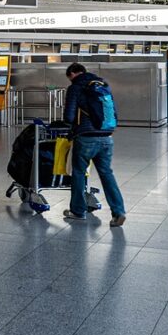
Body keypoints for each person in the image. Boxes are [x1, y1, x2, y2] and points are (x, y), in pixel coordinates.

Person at [62, 63, 127, 227]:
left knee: (78, 172)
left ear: (72, 74)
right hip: (107, 136)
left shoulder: (76, 87)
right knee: (107, 174)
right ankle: (118, 211)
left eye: (69, 77)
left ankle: (78, 211)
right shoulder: (102, 85)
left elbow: (69, 117)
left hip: (86, 137)